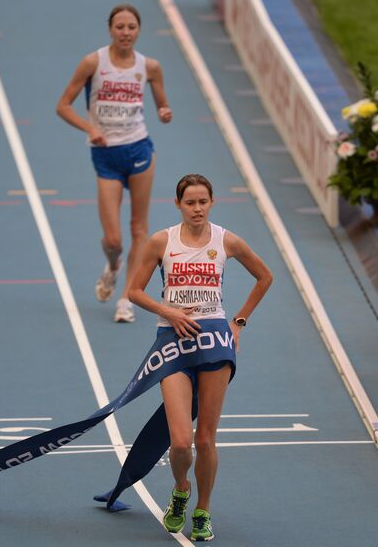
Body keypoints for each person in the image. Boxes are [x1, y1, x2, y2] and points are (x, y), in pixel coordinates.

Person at [128, 173, 273, 541]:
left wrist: (238, 322)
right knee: (180, 441)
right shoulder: (162, 241)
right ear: (178, 204)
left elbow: (265, 277)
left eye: (202, 202)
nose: (196, 209)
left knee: (205, 439)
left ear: (212, 203)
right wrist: (171, 312)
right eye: (189, 202)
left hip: (214, 341)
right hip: (172, 339)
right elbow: (133, 291)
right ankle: (181, 489)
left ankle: (203, 510)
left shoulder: (227, 241)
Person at [56, 3, 172, 323]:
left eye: (131, 27)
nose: (125, 33)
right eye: (119, 27)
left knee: (139, 229)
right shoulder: (93, 62)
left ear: (138, 31)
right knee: (114, 239)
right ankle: (112, 265)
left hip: (139, 150)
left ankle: (126, 299)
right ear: (110, 29)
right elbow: (63, 106)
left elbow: (163, 104)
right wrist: (90, 127)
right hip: (105, 154)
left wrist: (164, 112)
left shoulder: (150, 67)